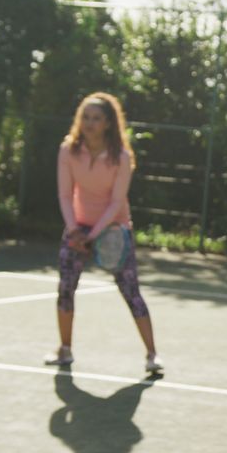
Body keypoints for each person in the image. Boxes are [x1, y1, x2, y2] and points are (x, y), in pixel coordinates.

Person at [45, 92, 163, 373]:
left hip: (114, 229)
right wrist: (75, 231)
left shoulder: (121, 156)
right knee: (65, 289)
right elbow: (65, 194)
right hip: (77, 228)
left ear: (109, 123)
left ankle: (152, 354)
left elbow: (116, 202)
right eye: (85, 117)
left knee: (131, 292)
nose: (89, 123)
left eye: (96, 118)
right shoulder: (68, 151)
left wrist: (94, 235)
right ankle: (65, 350)